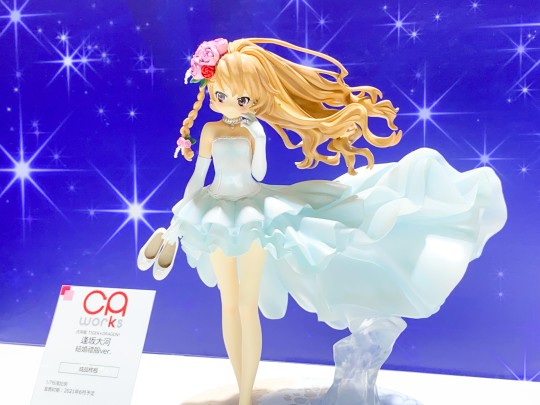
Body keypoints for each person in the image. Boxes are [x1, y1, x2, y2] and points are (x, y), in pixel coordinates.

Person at [137, 38, 506, 405]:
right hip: (215, 214)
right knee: (229, 305)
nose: (230, 103)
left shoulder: (252, 130)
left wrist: (259, 138)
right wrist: (179, 219)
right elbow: (198, 177)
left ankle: (247, 396)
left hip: (254, 215)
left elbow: (258, 172)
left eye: (242, 98)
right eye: (221, 95)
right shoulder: (210, 132)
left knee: (247, 306)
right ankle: (243, 394)